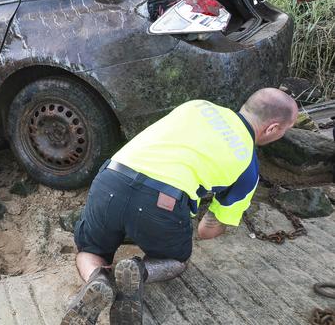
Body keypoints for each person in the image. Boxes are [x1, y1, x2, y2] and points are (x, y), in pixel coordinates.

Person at [62, 88, 298, 325]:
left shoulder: (198, 105)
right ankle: (137, 271)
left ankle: (98, 280)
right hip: (162, 202)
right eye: (285, 130)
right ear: (272, 128)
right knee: (177, 261)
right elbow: (207, 231)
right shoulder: (248, 165)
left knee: (91, 250)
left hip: (110, 180)